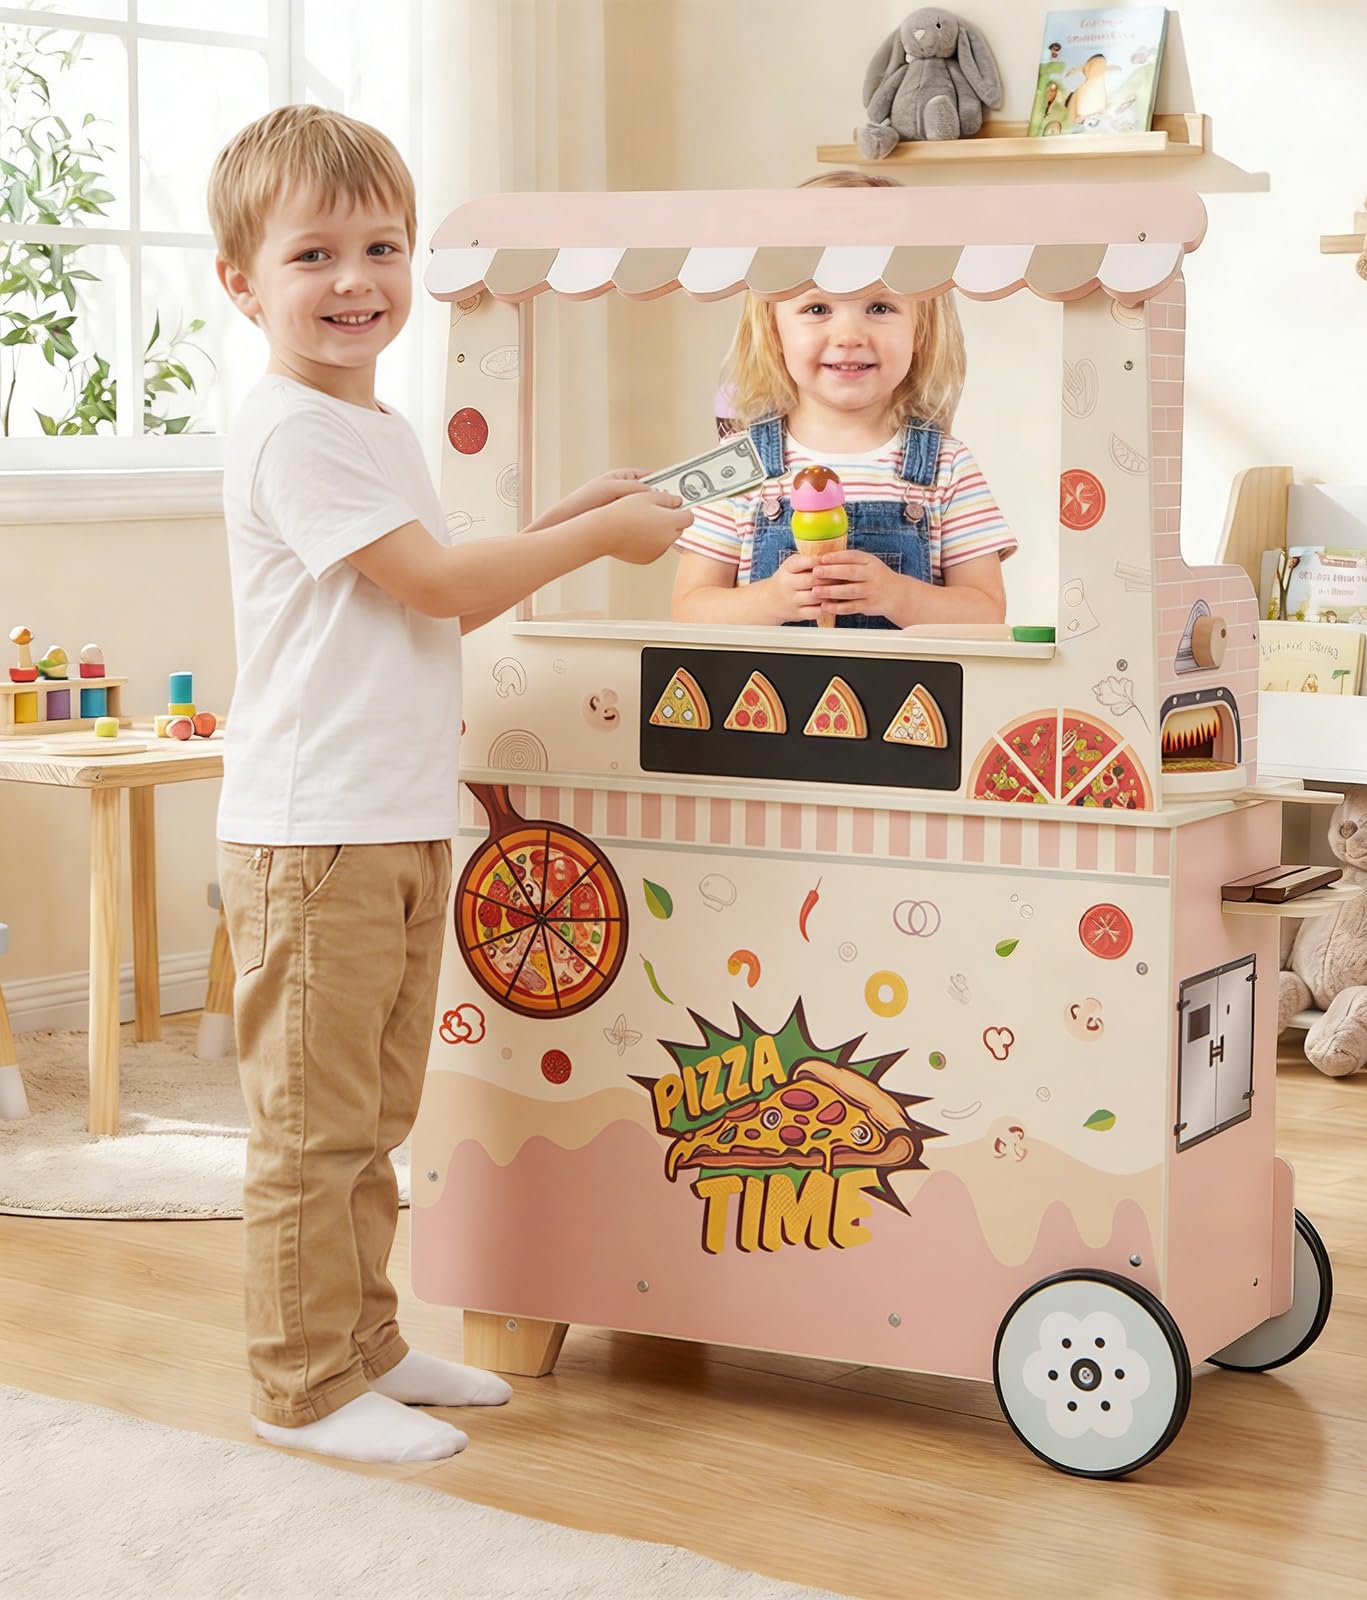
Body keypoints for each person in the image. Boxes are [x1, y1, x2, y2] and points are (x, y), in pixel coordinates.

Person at [206, 105, 688, 1466]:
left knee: (372, 1122)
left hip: (392, 821)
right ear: (243, 284)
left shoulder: (374, 428)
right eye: (313, 254)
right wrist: (595, 538)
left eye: (381, 247)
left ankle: (364, 1347)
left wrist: (559, 523)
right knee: (313, 1132)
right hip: (317, 833)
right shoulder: (294, 431)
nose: (355, 279)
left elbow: (440, 602)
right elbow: (429, 582)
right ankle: (300, 1387)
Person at [672, 173, 1013, 629]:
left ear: (921, 329)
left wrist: (898, 596)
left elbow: (986, 613)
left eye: (880, 307)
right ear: (774, 329)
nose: (850, 336)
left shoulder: (948, 467)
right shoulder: (736, 463)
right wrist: (771, 600)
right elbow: (690, 609)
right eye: (817, 309)